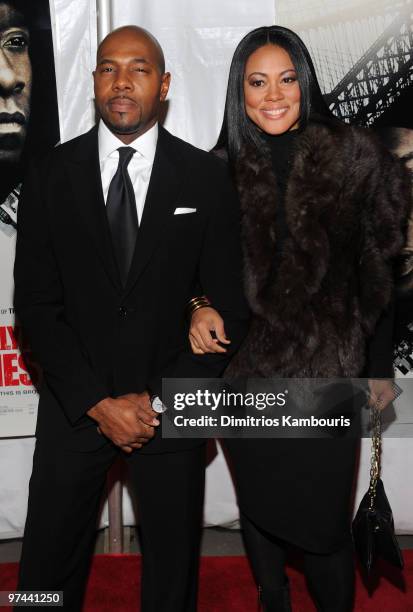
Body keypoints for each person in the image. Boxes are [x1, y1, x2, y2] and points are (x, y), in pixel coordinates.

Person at [14, 25, 248, 612]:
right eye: (108, 68)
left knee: (172, 576)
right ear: (93, 80)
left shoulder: (206, 178)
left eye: (139, 69)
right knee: (44, 570)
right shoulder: (48, 175)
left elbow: (229, 307)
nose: (122, 82)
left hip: (169, 405)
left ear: (163, 84)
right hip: (76, 405)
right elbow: (37, 308)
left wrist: (161, 404)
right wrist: (98, 403)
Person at [188, 26, 410, 611]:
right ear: (240, 92)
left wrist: (379, 369)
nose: (273, 95)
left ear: (306, 82)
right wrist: (196, 306)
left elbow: (377, 279)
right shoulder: (215, 172)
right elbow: (189, 275)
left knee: (322, 525)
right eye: (257, 83)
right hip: (244, 374)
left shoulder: (358, 162)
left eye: (287, 79)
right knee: (259, 504)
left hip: (326, 378)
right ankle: (272, 600)